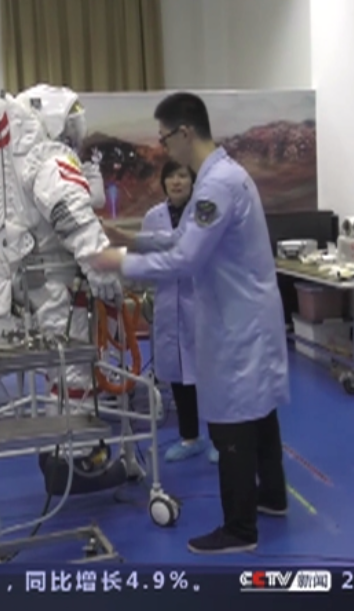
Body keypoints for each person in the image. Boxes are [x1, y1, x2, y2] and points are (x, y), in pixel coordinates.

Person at [91, 92, 290, 554]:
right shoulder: (221, 177)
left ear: (184, 132)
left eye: (164, 139)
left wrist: (120, 262)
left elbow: (185, 258)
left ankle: (240, 529)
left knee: (233, 416)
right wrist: (130, 241)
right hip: (246, 314)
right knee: (259, 409)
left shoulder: (218, 185)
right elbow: (182, 237)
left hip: (237, 323)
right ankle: (272, 496)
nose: (163, 148)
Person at [0, 76, 120, 398]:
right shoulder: (50, 160)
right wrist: (102, 265)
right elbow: (71, 214)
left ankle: (64, 423)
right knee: (72, 368)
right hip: (57, 280)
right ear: (53, 121)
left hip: (38, 279)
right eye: (70, 125)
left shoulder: (23, 161)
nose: (74, 135)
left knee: (60, 366)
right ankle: (75, 431)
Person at [140, 161, 218, 463]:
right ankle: (190, 437)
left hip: (201, 301)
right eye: (171, 176)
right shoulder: (153, 217)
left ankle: (219, 439)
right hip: (167, 301)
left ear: (192, 181)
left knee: (207, 375)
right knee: (178, 377)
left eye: (182, 175)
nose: (176, 181)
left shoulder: (205, 213)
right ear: (163, 183)